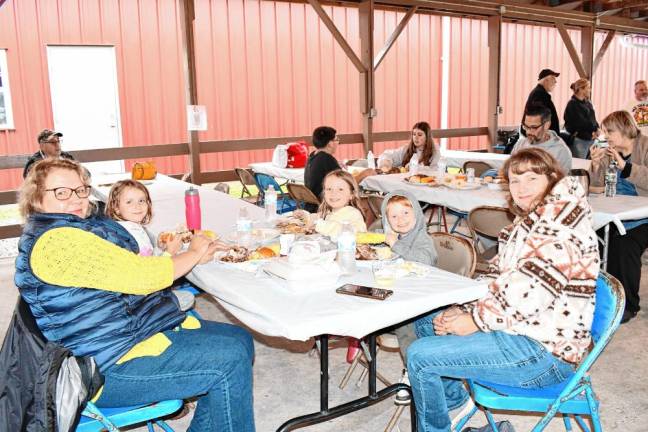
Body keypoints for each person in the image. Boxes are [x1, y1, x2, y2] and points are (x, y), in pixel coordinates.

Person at [14, 158, 256, 432]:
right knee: (231, 357)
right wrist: (193, 251)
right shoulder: (57, 243)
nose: (76, 198)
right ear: (35, 197)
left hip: (121, 336)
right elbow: (144, 277)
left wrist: (189, 258)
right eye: (61, 192)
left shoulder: (68, 229)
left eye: (81, 189)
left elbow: (128, 270)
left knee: (239, 339)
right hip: (103, 369)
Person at [406, 148, 599, 432]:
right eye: (515, 181)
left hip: (546, 352)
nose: (521, 189)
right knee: (428, 318)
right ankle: (450, 399)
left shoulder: (557, 225)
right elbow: (502, 280)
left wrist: (475, 320)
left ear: (551, 177)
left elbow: (528, 296)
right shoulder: (535, 218)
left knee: (420, 356)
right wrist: (466, 310)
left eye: (531, 179)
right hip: (525, 329)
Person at [380, 190, 438, 405]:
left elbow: (423, 261)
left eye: (406, 213)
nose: (400, 220)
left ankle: (411, 371)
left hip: (419, 301)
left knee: (406, 325)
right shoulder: (392, 235)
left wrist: (395, 244)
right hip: (395, 293)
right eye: (393, 216)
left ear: (417, 215)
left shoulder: (422, 238)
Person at [589, 110, 648, 324]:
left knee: (624, 245)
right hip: (616, 212)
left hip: (643, 215)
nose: (606, 136)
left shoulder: (645, 146)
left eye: (610, 131)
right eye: (604, 132)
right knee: (590, 238)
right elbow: (595, 189)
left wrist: (626, 167)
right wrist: (595, 165)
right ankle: (597, 296)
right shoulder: (607, 152)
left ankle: (627, 304)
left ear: (625, 128)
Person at [105, 179, 196, 311]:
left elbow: (147, 255)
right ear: (116, 208)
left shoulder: (131, 227)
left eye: (141, 201)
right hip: (140, 296)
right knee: (187, 296)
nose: (137, 206)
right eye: (129, 202)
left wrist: (159, 247)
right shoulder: (128, 235)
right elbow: (149, 274)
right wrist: (169, 252)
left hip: (146, 282)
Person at [298, 169, 367, 240]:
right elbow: (316, 218)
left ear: (351, 195)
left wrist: (318, 224)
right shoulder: (328, 212)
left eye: (340, 189)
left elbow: (355, 233)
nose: (333, 193)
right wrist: (304, 216)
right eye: (329, 189)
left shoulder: (353, 214)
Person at [513, 104, 572, 172]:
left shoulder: (561, 152)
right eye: (526, 127)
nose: (528, 132)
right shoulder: (520, 144)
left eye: (534, 127)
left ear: (547, 125)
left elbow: (560, 181)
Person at [304, 126, 341, 211]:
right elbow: (346, 182)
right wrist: (365, 174)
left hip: (311, 204)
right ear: (330, 143)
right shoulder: (326, 158)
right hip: (323, 206)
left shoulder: (313, 156)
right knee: (365, 201)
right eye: (337, 140)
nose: (338, 143)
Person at [564, 78, 599, 158]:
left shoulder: (588, 102)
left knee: (588, 166)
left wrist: (597, 128)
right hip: (580, 141)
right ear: (581, 89)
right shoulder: (572, 104)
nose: (590, 90)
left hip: (590, 139)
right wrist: (593, 130)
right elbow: (581, 123)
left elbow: (593, 118)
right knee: (579, 167)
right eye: (588, 87)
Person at [523, 69, 560, 135]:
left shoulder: (540, 92)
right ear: (546, 81)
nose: (555, 82)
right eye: (553, 79)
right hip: (541, 137)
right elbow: (538, 118)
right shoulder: (539, 94)